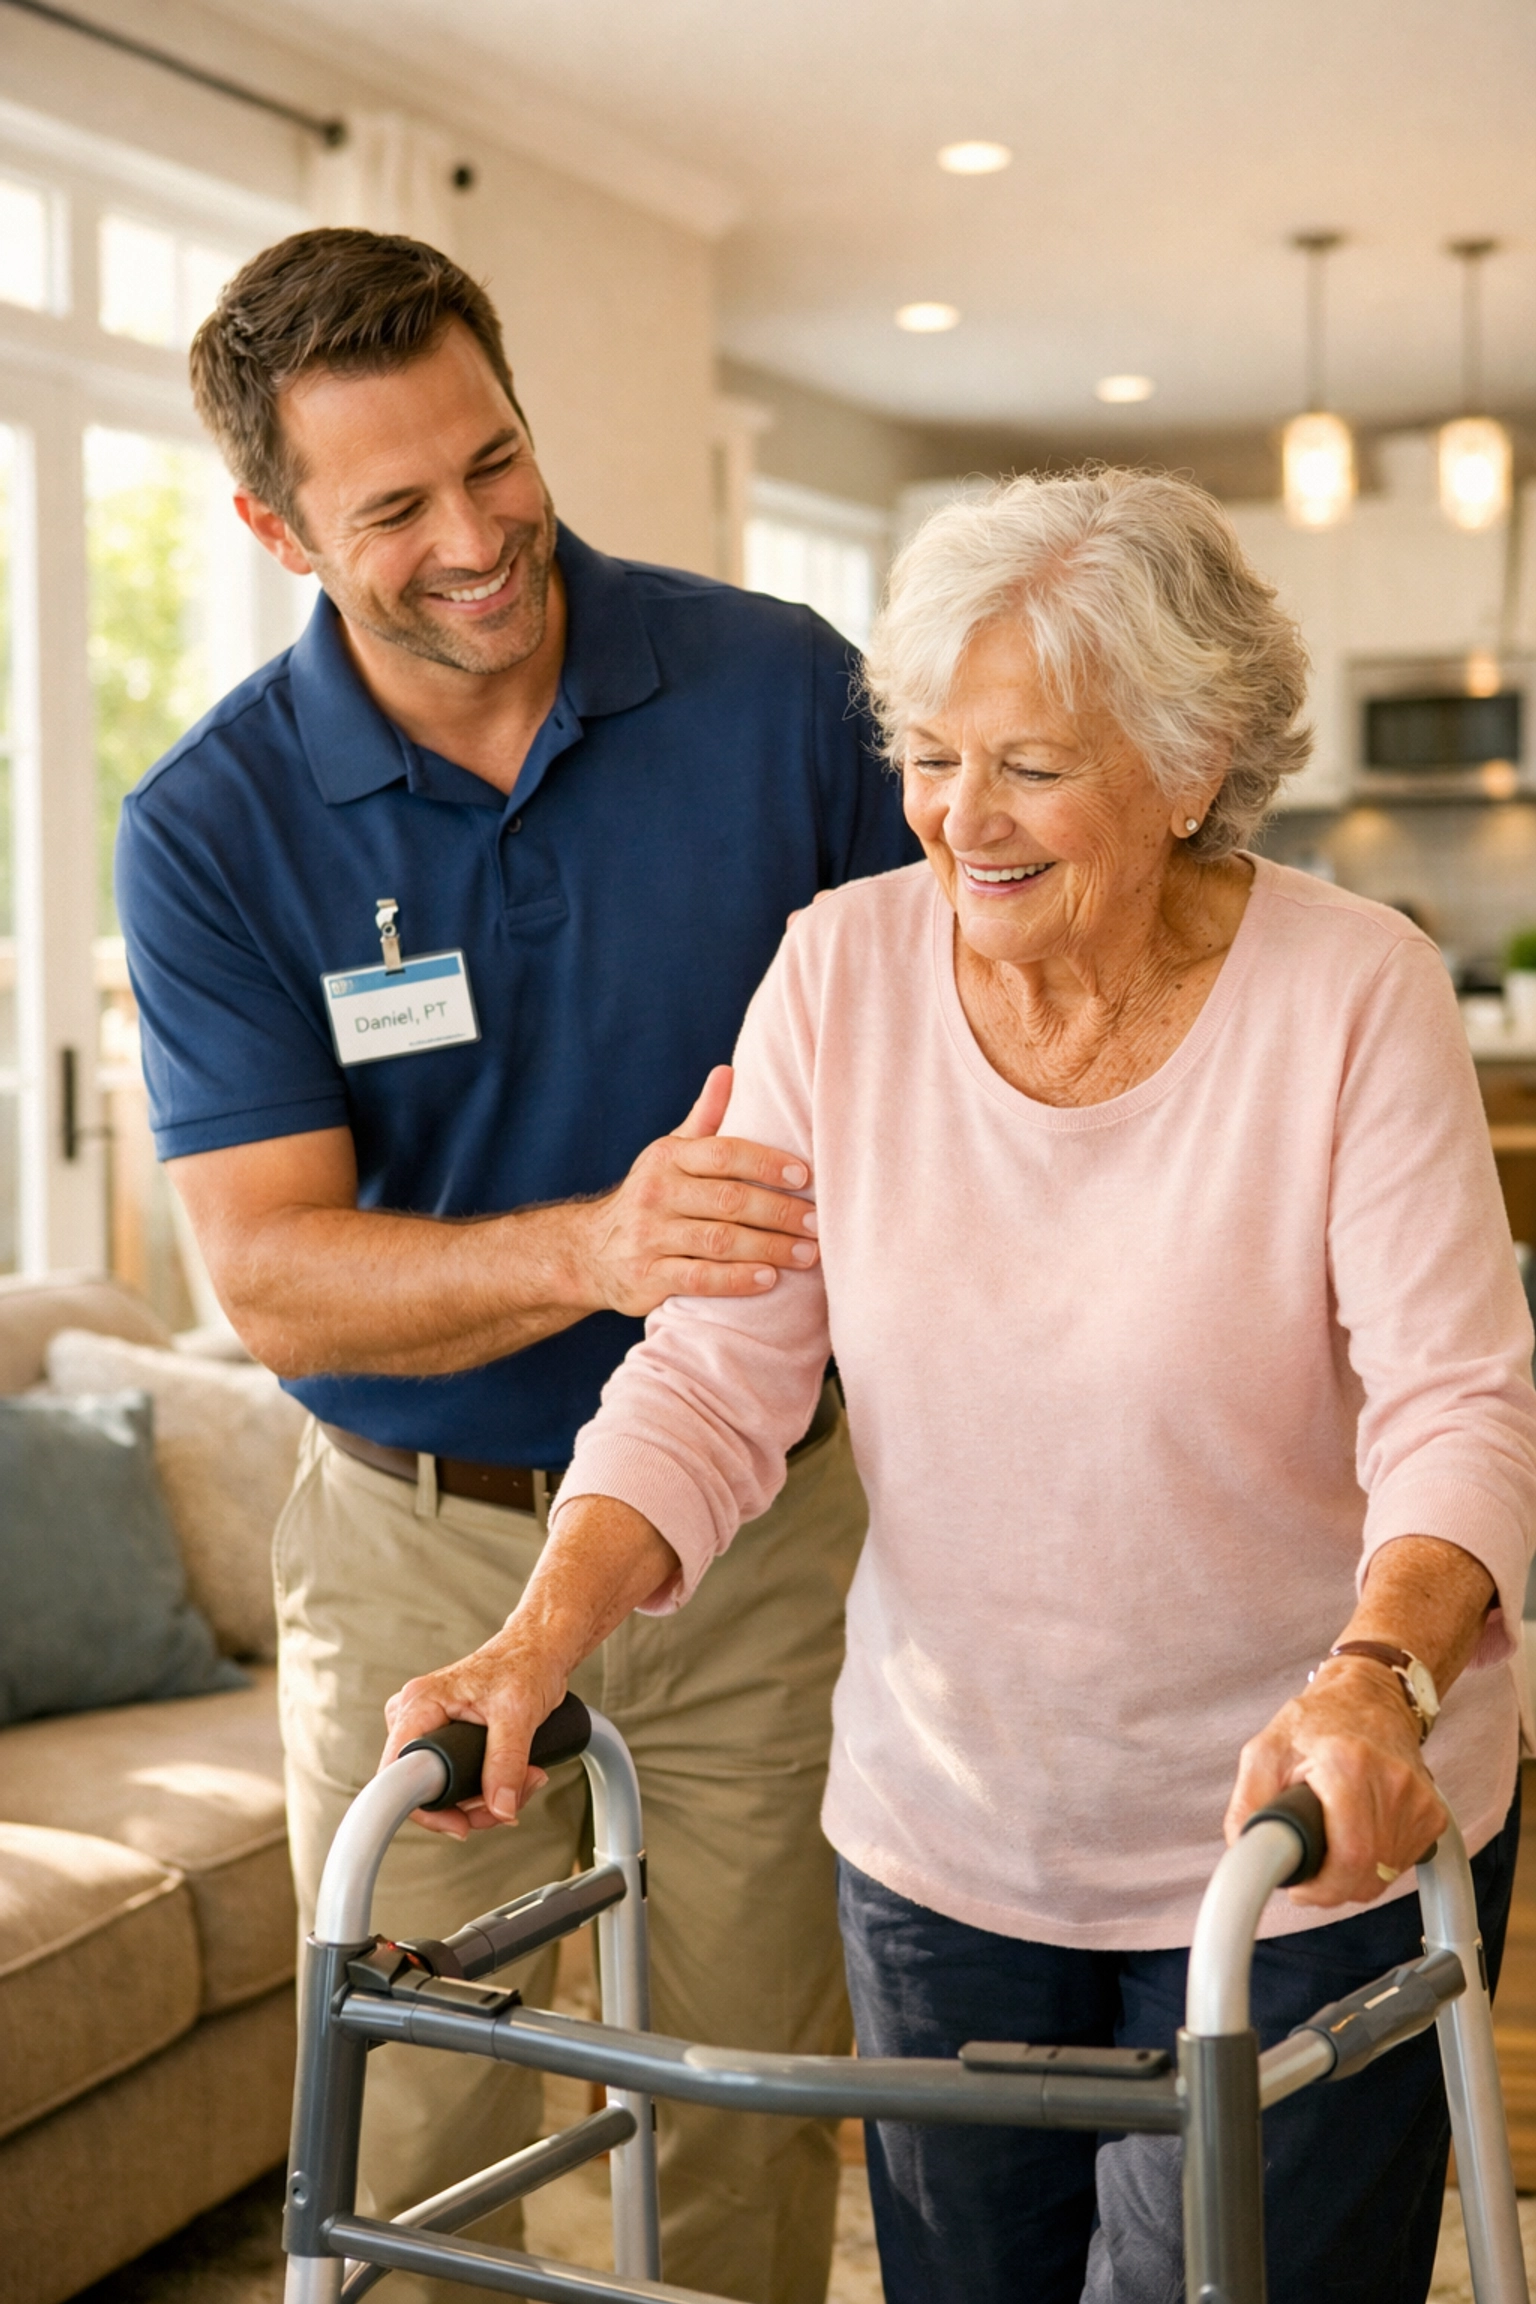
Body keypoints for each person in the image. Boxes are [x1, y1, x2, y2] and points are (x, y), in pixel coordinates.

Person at [381, 468, 1536, 2304]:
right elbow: (714, 1373)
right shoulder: (840, 972)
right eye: (929, 755)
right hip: (952, 1836)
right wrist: (535, 1642)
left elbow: (1460, 1402)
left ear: (1190, 758)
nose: (956, 820)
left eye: (1030, 767)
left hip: (1310, 1830)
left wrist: (1378, 1682)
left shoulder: (1354, 993)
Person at [115, 227, 916, 2304]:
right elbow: (274, 1285)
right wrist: (605, 1244)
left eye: (497, 459)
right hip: (418, 1549)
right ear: (275, 529)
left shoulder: (779, 694)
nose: (479, 537)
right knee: (413, 2129)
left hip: (759, 1548)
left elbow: (945, 1083)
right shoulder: (213, 829)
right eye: (396, 507)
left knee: (736, 2124)